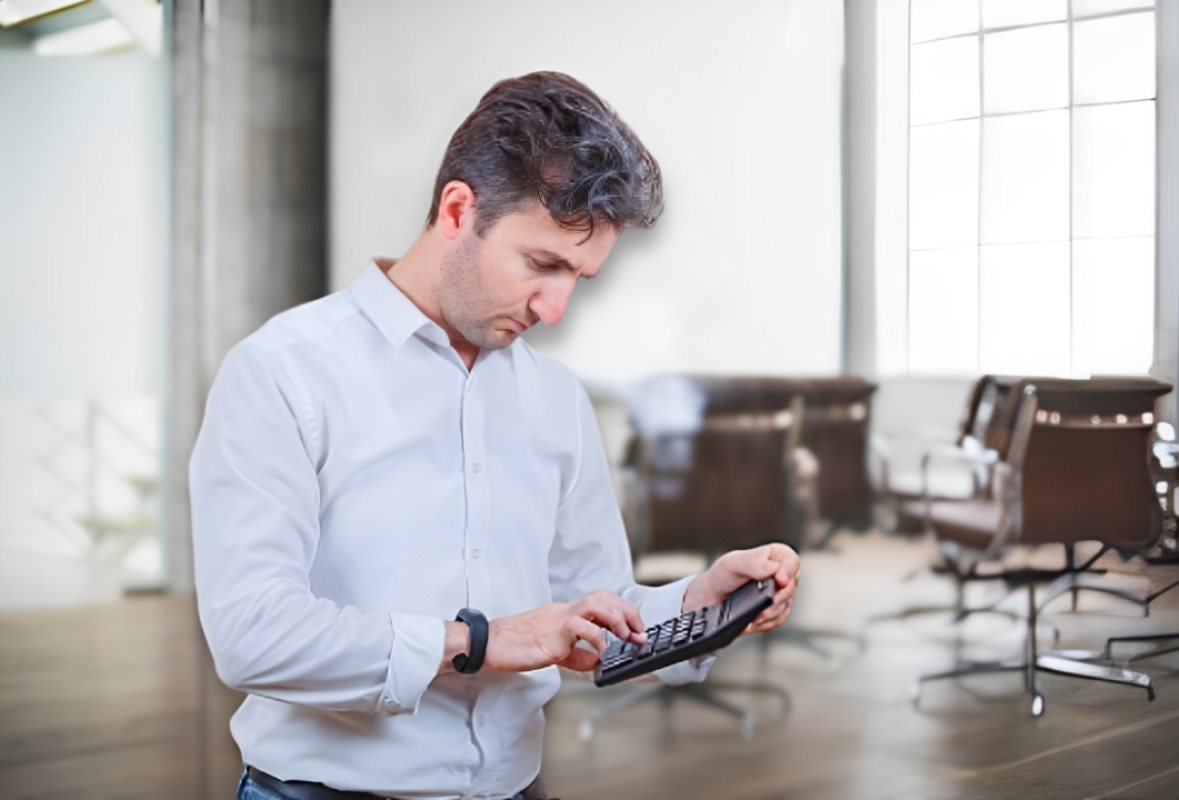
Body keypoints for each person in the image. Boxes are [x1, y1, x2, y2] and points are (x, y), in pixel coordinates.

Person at [190, 71, 801, 800]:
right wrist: (481, 643)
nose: (555, 308)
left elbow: (592, 606)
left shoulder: (553, 397)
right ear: (457, 210)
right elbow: (253, 634)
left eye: (579, 277)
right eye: (542, 264)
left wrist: (702, 602)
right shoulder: (283, 372)